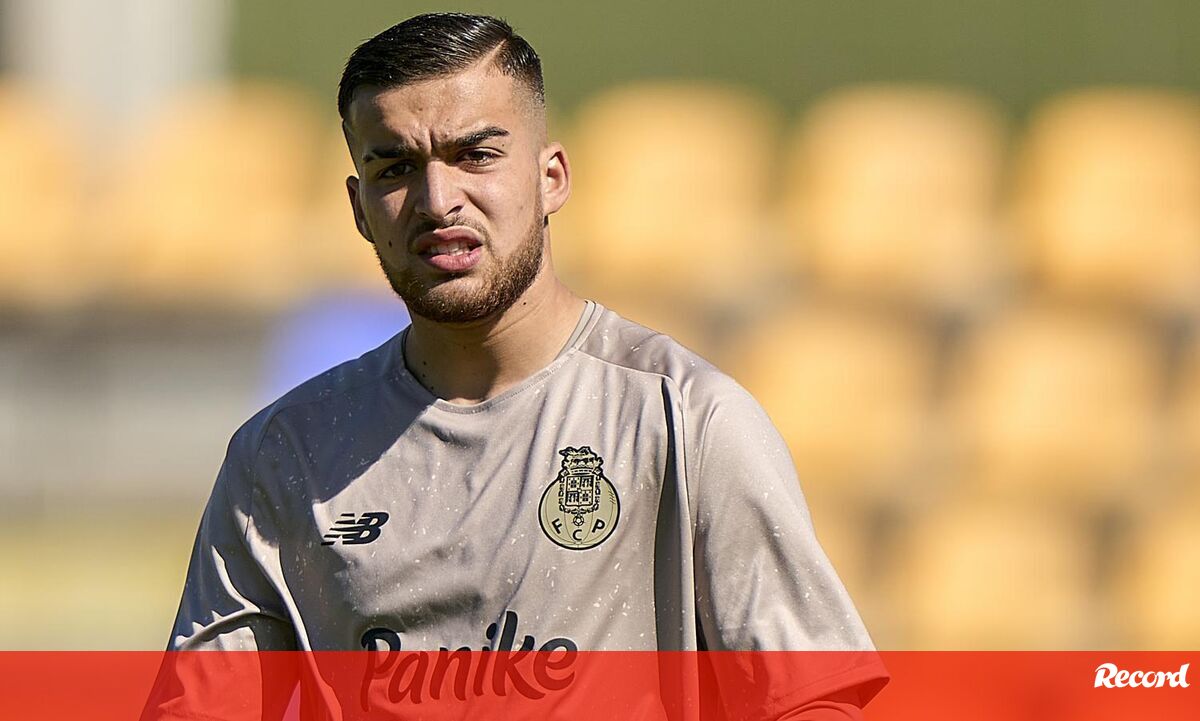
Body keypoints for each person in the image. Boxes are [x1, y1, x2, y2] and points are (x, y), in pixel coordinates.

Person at [157, 12, 887, 720]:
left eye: (475, 155)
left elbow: (811, 700)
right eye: (396, 167)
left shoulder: (686, 420)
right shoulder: (286, 453)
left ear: (551, 177)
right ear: (358, 207)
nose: (438, 200)